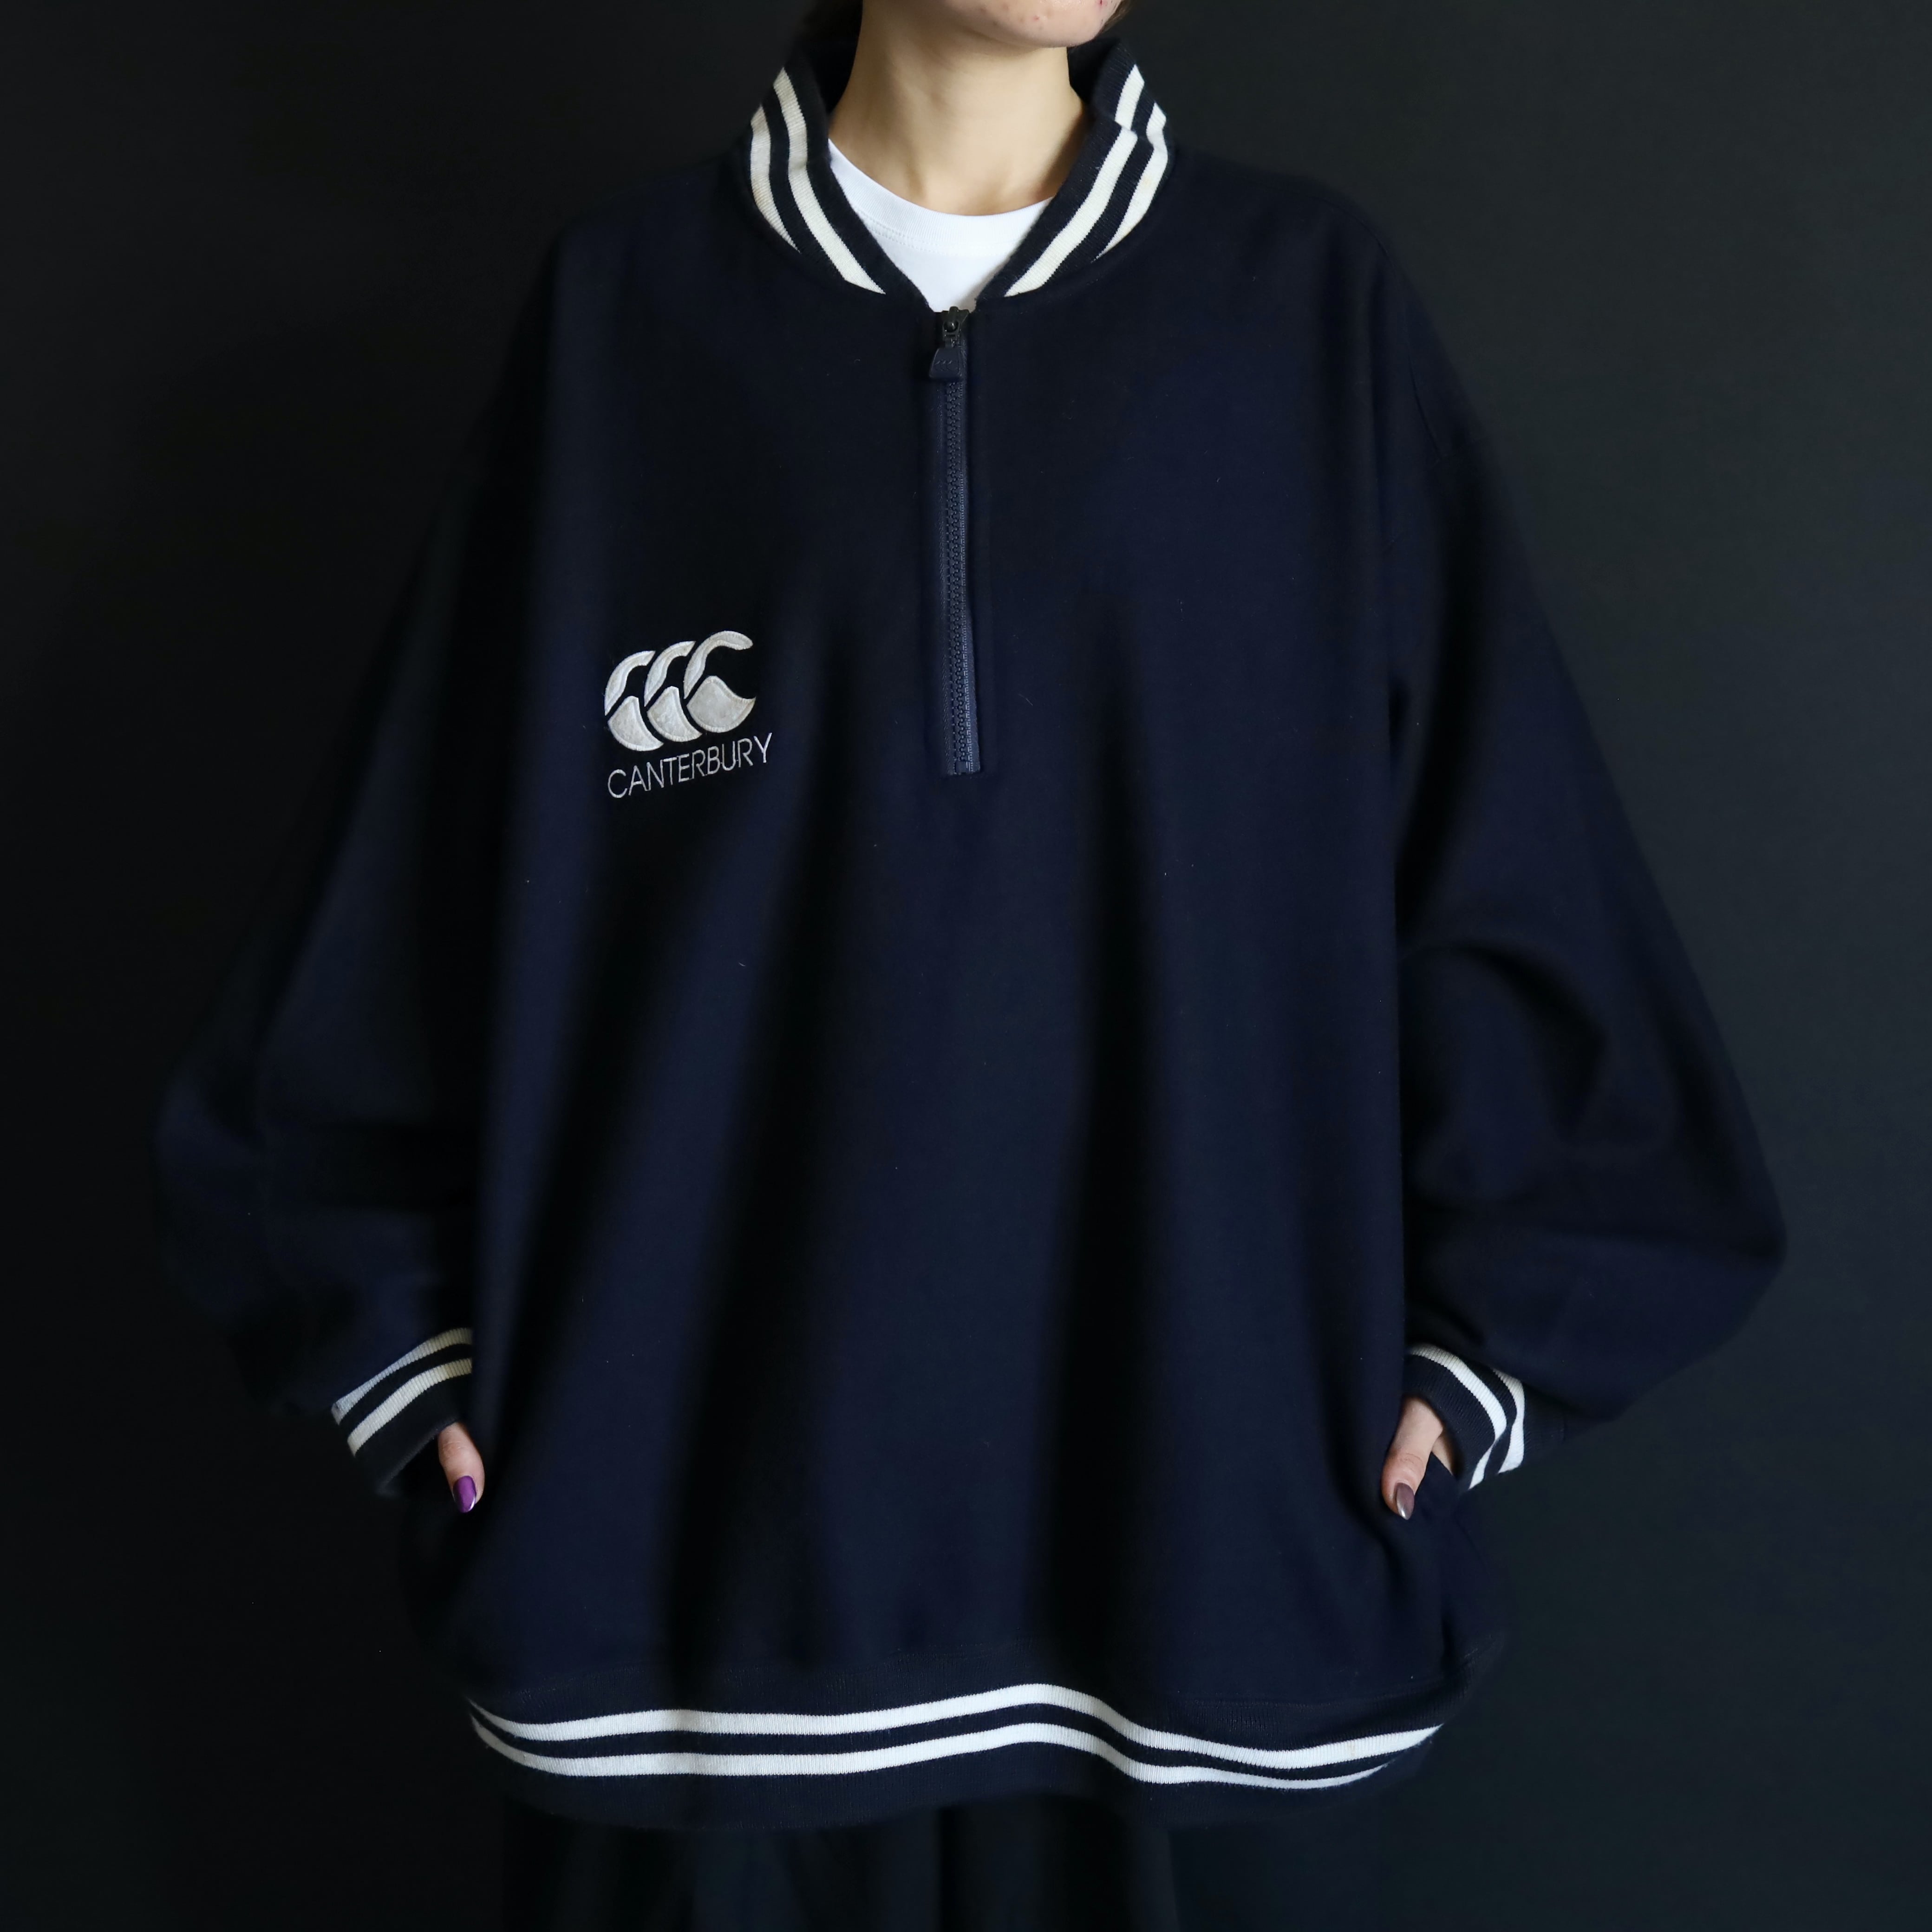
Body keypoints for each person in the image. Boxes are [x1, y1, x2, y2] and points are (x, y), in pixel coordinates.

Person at [153, 0, 1786, 1925]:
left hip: (1200, 1582)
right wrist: (393, 1333)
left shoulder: (1300, 307)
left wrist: (1494, 1336)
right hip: (691, 1599)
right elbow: (408, 905)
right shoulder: (628, 314)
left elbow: (1505, 868)